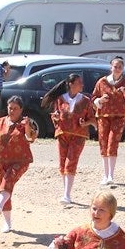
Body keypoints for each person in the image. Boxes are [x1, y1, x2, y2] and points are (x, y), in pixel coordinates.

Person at [0, 95, 37, 233]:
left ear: (21, 110)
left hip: (20, 161)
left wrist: (27, 127)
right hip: (2, 161)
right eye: (10, 108)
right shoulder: (0, 122)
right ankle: (7, 224)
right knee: (3, 189)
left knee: (8, 181)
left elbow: (30, 137)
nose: (12, 111)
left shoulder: (25, 123)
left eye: (15, 109)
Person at [43, 72, 95, 204]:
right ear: (71, 85)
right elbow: (56, 115)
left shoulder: (86, 100)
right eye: (79, 82)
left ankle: (67, 195)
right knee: (62, 164)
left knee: (70, 162)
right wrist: (54, 117)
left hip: (78, 135)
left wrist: (86, 123)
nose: (82, 85)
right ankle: (65, 191)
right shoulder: (60, 99)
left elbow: (93, 119)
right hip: (62, 134)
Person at [92, 56, 125, 185]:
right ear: (111, 67)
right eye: (115, 67)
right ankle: (105, 175)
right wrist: (100, 100)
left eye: (120, 67)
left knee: (112, 143)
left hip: (119, 117)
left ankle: (111, 175)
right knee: (103, 143)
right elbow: (94, 97)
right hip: (103, 116)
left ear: (123, 69)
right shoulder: (102, 82)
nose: (117, 69)